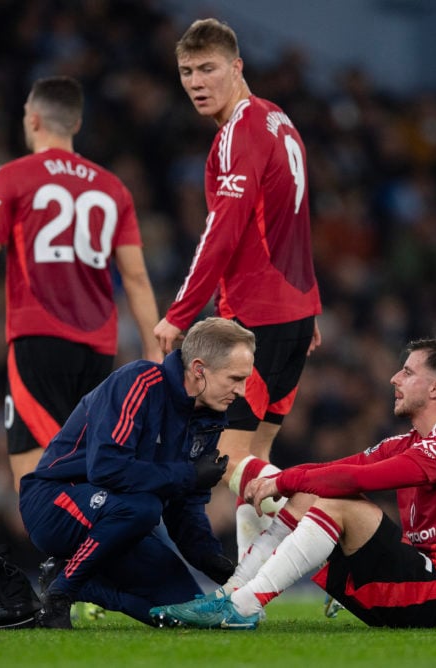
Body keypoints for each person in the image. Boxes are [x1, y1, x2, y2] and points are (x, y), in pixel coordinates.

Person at [150, 337, 436, 630]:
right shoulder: (412, 443)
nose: (394, 378)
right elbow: (342, 468)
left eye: (408, 372)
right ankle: (233, 594)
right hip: (415, 578)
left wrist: (282, 481)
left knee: (336, 500)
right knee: (317, 489)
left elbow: (358, 478)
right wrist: (291, 482)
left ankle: (242, 607)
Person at [0, 76, 163, 491]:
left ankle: (66, 555)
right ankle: (89, 554)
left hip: (39, 341)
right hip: (97, 349)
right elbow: (137, 277)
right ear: (76, 122)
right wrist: (153, 351)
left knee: (35, 479)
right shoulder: (112, 188)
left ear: (33, 120)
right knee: (86, 468)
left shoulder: (14, 176)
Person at [153, 18, 323, 554]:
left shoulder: (238, 134)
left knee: (227, 459)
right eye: (186, 71)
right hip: (291, 313)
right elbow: (292, 218)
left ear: (236, 67)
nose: (197, 82)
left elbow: (221, 230)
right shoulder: (278, 120)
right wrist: (308, 305)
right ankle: (250, 583)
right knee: (257, 459)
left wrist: (179, 314)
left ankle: (340, 534)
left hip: (259, 316)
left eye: (208, 68)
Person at [20, 317, 255, 629]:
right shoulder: (138, 383)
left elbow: (184, 506)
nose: (241, 391)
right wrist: (187, 475)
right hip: (54, 500)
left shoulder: (208, 420)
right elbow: (106, 468)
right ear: (199, 370)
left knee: (186, 614)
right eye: (235, 378)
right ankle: (60, 595)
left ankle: (76, 581)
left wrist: (215, 563)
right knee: (143, 507)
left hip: (120, 523)